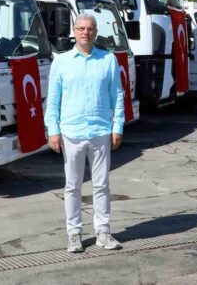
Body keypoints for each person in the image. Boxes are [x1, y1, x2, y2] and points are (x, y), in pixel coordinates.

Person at [44, 13, 125, 253]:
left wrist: (117, 126)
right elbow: (53, 100)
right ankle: (74, 233)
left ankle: (103, 232)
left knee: (101, 185)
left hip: (100, 131)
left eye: (89, 29)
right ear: (74, 31)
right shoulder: (61, 61)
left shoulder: (108, 60)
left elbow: (117, 96)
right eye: (80, 28)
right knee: (73, 186)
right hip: (71, 132)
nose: (85, 33)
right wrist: (53, 131)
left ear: (96, 32)